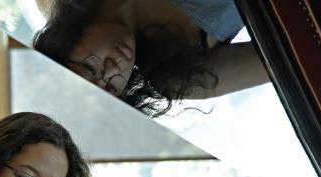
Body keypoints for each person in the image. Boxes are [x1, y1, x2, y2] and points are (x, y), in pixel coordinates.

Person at [33, 0, 270, 117]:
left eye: (90, 68)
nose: (113, 69)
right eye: (111, 87)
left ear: (66, 40)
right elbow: (281, 62)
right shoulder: (177, 76)